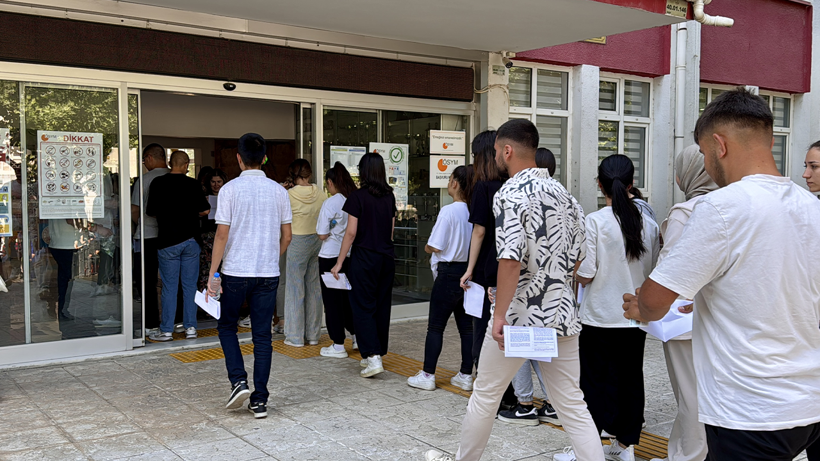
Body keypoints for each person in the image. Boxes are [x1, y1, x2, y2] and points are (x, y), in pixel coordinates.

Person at [623, 88, 820, 461]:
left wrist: (640, 308)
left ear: (719, 144)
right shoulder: (810, 205)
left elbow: (654, 299)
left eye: (702, 151)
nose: (705, 162)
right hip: (810, 398)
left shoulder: (721, 207)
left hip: (751, 408)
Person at [425, 119, 603, 461]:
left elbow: (509, 259)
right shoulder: (567, 197)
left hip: (520, 317)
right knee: (572, 404)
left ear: (507, 151)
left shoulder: (511, 193)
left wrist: (500, 315)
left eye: (495, 152)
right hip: (561, 315)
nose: (495, 159)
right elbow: (580, 259)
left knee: (486, 395)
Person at [575, 154, 660, 461]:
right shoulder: (648, 224)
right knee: (630, 379)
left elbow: (586, 274)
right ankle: (626, 445)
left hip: (599, 316)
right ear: (631, 184)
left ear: (600, 185)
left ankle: (589, 447)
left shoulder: (595, 221)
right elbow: (652, 272)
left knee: (592, 382)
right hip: (635, 317)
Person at [208, 132, 292, 419]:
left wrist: (212, 273)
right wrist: (270, 257)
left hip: (236, 271)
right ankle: (260, 400)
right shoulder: (280, 192)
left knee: (227, 326)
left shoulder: (229, 190)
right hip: (268, 273)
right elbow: (288, 236)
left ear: (239, 158)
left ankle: (238, 381)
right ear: (264, 158)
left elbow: (221, 235)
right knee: (262, 337)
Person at [644, 145, 717, 461]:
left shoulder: (686, 212)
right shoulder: (733, 206)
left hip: (685, 322)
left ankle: (688, 455)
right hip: (723, 319)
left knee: (691, 396)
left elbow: (670, 272)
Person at [460, 131, 518, 411]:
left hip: (490, 271)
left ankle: (496, 399)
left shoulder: (484, 188)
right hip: (514, 272)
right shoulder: (512, 186)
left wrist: (468, 268)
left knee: (485, 333)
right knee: (508, 329)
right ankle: (512, 396)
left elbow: (479, 231)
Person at [407, 165, 474, 392]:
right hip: (468, 272)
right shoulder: (474, 210)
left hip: (448, 273)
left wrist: (426, 246)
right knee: (467, 329)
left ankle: (428, 374)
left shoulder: (449, 211)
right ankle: (466, 374)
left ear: (455, 183)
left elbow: (434, 245)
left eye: (449, 179)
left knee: (435, 327)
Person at [331, 152, 396, 378]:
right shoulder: (390, 196)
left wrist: (339, 262)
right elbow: (391, 231)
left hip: (364, 257)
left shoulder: (357, 197)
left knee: (362, 306)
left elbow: (350, 233)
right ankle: (377, 352)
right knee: (380, 305)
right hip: (386, 258)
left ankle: (372, 357)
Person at [146, 150, 210, 341]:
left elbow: (151, 212)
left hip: (167, 241)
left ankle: (166, 330)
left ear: (169, 163)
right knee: (190, 286)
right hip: (191, 241)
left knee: (169, 287)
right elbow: (205, 210)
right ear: (185, 165)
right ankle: (190, 328)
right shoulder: (193, 184)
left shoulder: (158, 183)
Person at [317, 162, 358, 358]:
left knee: (332, 301)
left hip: (330, 256)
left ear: (331, 183)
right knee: (349, 299)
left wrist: (333, 228)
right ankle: (357, 336)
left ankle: (338, 344)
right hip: (350, 255)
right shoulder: (354, 199)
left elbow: (322, 234)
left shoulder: (331, 203)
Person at [283, 159, 325, 347]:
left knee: (294, 287)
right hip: (316, 240)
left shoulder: (289, 194)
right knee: (314, 287)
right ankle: (314, 335)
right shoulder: (321, 193)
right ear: (309, 174)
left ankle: (295, 336)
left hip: (297, 240)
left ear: (293, 175)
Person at [131, 143, 168, 336]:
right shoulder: (177, 179)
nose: (144, 163)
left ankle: (151, 323)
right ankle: (176, 322)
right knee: (171, 281)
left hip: (147, 237)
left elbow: (135, 210)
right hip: (171, 238)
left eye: (144, 159)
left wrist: (141, 225)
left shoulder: (144, 180)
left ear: (150, 158)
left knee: (146, 281)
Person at [199, 169, 227, 292]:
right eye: (213, 182)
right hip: (207, 236)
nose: (216, 185)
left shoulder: (228, 195)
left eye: (219, 181)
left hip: (224, 235)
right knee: (207, 268)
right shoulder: (203, 196)